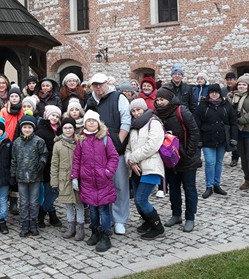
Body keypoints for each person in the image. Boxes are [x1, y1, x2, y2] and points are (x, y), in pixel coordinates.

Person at [85, 72, 131, 235]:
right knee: (103, 186)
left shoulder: (118, 97)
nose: (98, 87)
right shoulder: (90, 101)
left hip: (115, 151)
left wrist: (117, 142)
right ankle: (107, 219)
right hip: (97, 153)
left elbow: (126, 121)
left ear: (107, 83)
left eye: (101, 84)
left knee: (119, 185)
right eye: (95, 85)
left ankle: (119, 219)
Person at [154, 85, 200, 233]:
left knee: (189, 188)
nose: (160, 102)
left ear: (169, 99)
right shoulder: (158, 114)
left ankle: (190, 217)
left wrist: (189, 152)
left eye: (162, 99)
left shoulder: (181, 111)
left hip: (186, 158)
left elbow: (193, 131)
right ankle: (176, 214)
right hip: (169, 159)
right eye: (158, 99)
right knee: (173, 188)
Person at [71, 110, 119, 253]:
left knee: (103, 209)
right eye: (88, 121)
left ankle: (105, 235)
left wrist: (108, 172)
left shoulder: (105, 139)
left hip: (102, 180)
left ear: (98, 123)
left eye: (93, 121)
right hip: (87, 180)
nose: (91, 123)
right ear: (85, 123)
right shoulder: (81, 140)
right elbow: (77, 160)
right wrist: (75, 176)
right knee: (92, 209)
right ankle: (95, 232)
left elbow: (113, 157)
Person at [125, 98, 165, 240]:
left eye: (138, 110)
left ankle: (158, 227)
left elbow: (152, 145)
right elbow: (128, 148)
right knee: (137, 199)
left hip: (150, 167)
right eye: (133, 111)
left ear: (144, 109)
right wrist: (130, 162)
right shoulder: (134, 127)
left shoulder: (153, 123)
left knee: (141, 199)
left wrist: (132, 159)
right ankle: (147, 221)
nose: (136, 113)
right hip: (136, 169)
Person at [194, 84, 238, 198]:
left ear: (220, 93)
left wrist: (233, 138)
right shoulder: (202, 106)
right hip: (207, 138)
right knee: (210, 162)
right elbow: (196, 124)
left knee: (218, 163)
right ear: (208, 93)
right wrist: (198, 140)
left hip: (222, 138)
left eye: (216, 92)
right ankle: (209, 186)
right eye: (212, 92)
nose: (214, 94)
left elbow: (233, 122)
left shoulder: (226, 105)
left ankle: (216, 184)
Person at [10, 114, 48, 237]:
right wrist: (13, 174)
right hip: (21, 177)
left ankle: (33, 224)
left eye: (29, 127)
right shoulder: (17, 142)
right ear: (21, 128)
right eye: (25, 127)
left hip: (35, 176)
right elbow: (14, 160)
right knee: (24, 202)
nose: (27, 129)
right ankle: (24, 224)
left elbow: (44, 154)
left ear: (33, 128)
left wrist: (42, 162)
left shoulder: (39, 141)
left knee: (33, 202)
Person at [50, 117, 84, 241]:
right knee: (68, 203)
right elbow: (54, 164)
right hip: (64, 178)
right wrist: (54, 181)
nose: (68, 130)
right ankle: (71, 225)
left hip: (78, 177)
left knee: (79, 203)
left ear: (74, 129)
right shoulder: (57, 145)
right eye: (65, 127)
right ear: (62, 129)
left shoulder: (79, 142)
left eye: (70, 127)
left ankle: (80, 226)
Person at [35, 105, 63, 229]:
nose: (55, 118)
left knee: (53, 191)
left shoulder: (60, 130)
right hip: (46, 166)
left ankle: (47, 213)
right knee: (51, 191)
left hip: (58, 165)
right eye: (53, 115)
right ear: (47, 116)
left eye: (57, 116)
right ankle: (46, 214)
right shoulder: (41, 130)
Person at [221, 72, 240, 166]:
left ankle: (235, 158)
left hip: (237, 117)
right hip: (226, 117)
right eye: (227, 80)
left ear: (235, 80)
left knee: (236, 138)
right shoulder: (223, 91)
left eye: (231, 79)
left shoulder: (239, 89)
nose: (229, 81)